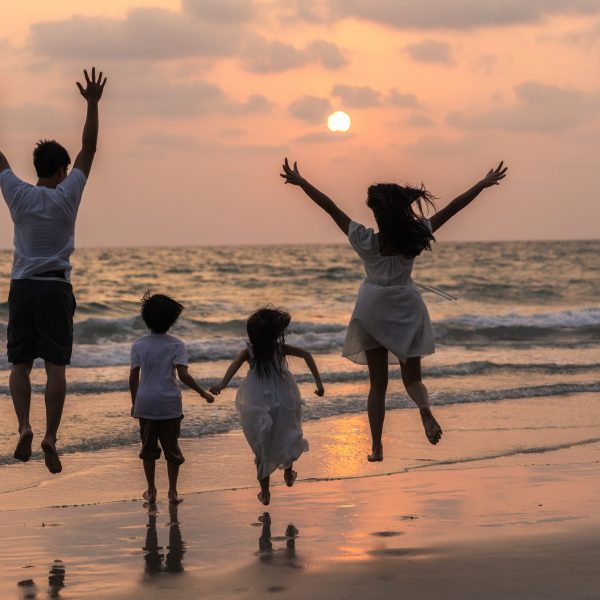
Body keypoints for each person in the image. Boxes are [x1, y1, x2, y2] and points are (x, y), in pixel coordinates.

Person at [280, 158, 507, 461]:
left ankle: (376, 447)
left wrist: (302, 182)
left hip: (372, 310)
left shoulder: (366, 241)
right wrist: (481, 184)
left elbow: (330, 207)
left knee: (378, 386)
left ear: (377, 214)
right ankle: (425, 411)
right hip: (406, 308)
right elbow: (453, 208)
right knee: (412, 379)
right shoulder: (415, 235)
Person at [0, 67, 107, 474]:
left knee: (19, 367)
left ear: (36, 167)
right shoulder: (68, 195)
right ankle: (49, 436)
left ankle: (25, 426)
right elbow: (90, 148)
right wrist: (93, 103)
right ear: (62, 169)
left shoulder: (16, 192)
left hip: (23, 287)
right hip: (56, 287)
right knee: (56, 368)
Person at [210, 307, 324, 505]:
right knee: (288, 433)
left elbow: (234, 366)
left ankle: (265, 493)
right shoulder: (279, 348)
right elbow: (307, 355)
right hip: (285, 397)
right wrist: (319, 384)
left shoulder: (250, 351)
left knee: (262, 446)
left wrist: (222, 384)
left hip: (258, 401)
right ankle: (288, 472)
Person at [130, 293, 214, 505]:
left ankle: (151, 490)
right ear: (172, 320)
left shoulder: (139, 344)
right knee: (172, 449)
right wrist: (202, 392)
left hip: (146, 403)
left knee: (148, 450)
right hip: (169, 404)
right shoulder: (177, 344)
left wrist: (135, 403)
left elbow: (133, 377)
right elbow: (183, 375)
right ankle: (173, 492)